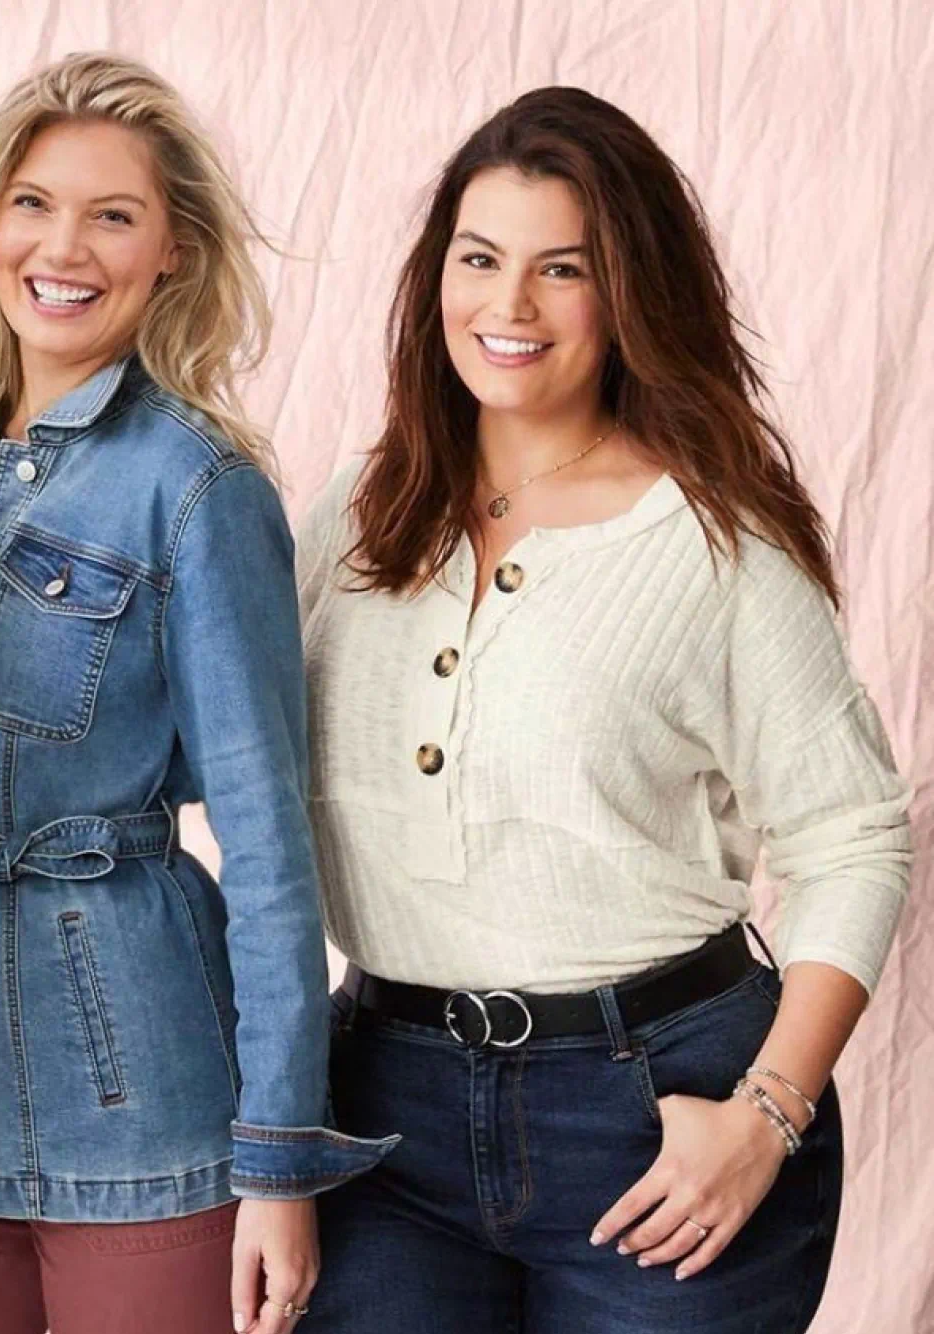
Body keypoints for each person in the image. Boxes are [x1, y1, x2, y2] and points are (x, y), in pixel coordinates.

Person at [298, 86, 912, 1333]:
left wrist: (768, 1111)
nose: (507, 307)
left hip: (657, 1112)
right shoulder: (357, 515)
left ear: (626, 292)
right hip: (378, 1111)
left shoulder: (712, 547)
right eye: (479, 258)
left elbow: (854, 834)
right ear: (435, 278)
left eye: (560, 269)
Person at [0, 52, 394, 1334]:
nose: (61, 245)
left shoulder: (197, 488)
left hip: (143, 1099)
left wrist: (280, 1158)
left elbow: (269, 841)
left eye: (112, 214)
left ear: (173, 250)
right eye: (32, 201)